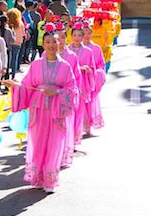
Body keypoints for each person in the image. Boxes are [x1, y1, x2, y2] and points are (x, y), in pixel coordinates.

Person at [6, 26, 77, 192]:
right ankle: (38, 176)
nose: (51, 44)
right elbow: (27, 85)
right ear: (43, 44)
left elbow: (73, 90)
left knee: (54, 142)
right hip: (38, 109)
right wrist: (15, 86)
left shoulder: (66, 66)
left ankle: (50, 179)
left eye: (54, 41)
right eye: (48, 42)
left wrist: (58, 91)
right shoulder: (36, 64)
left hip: (57, 110)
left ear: (59, 43)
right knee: (38, 142)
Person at [53, 22, 81, 167]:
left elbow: (76, 79)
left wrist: (71, 93)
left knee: (64, 127)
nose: (60, 41)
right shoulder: (45, 57)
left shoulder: (72, 57)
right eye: (57, 38)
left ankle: (63, 155)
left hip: (65, 98)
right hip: (50, 100)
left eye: (63, 37)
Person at [68, 21, 96, 146]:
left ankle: (79, 131)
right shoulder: (67, 51)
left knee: (81, 108)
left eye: (80, 35)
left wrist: (87, 69)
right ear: (71, 36)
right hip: (69, 84)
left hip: (83, 83)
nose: (77, 38)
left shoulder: (88, 51)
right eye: (75, 35)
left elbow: (93, 68)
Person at [83, 23, 105, 134]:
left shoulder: (96, 48)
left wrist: (94, 73)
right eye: (85, 32)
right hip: (80, 81)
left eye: (89, 32)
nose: (87, 35)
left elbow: (101, 65)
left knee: (90, 104)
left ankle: (88, 125)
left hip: (91, 81)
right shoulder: (75, 48)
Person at [7, 8, 25, 78]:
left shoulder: (8, 24)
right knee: (15, 59)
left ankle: (7, 75)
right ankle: (13, 76)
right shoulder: (20, 23)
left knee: (8, 60)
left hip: (9, 43)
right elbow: (23, 33)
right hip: (18, 43)